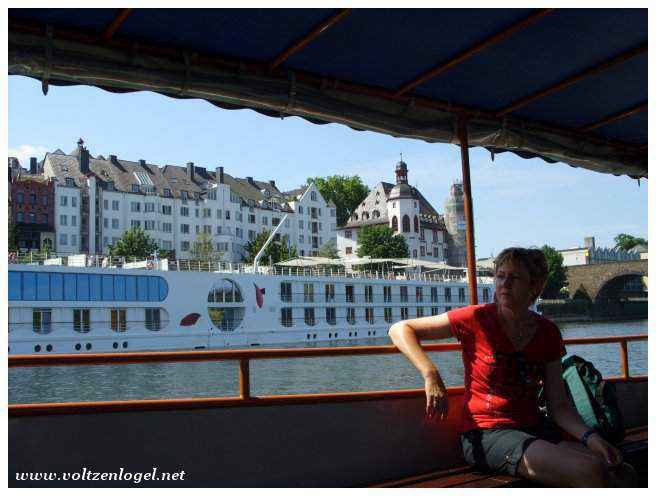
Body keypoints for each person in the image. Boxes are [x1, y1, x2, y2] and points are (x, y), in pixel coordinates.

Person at [388, 247, 636, 487]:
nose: (504, 283)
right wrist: (430, 374)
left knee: (623, 472)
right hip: (487, 433)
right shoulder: (476, 319)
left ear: (534, 287)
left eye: (515, 278)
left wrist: (591, 439)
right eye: (500, 276)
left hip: (533, 428)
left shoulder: (547, 333)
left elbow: (558, 406)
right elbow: (400, 329)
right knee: (589, 471)